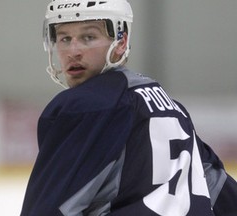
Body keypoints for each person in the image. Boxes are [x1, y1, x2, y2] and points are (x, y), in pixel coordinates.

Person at [20, 0, 237, 215]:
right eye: (65, 38)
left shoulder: (85, 106)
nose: (73, 51)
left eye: (89, 37)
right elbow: (219, 189)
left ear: (121, 42)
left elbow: (50, 210)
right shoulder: (171, 106)